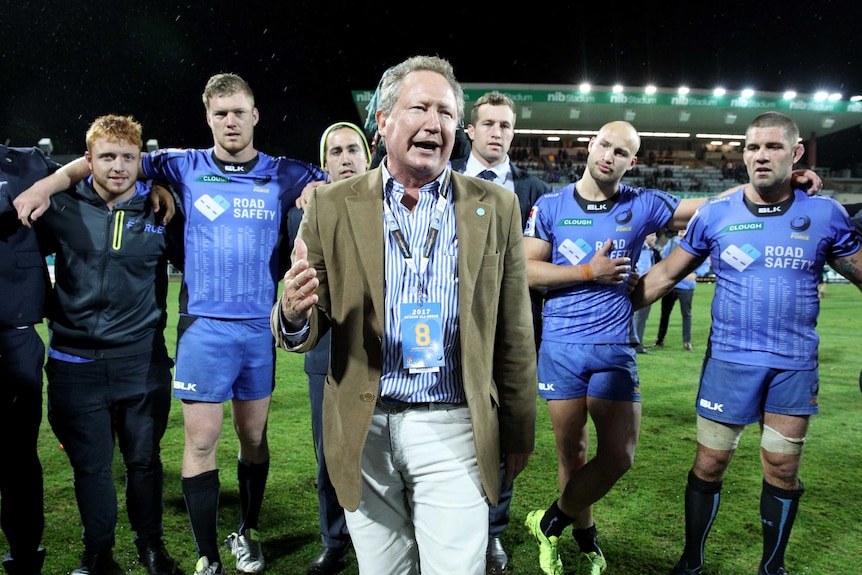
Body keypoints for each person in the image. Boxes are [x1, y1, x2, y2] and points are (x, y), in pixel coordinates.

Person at [15, 73, 326, 575]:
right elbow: (97, 159)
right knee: (199, 441)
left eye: (239, 111)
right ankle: (206, 556)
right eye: (220, 113)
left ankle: (246, 531)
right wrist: (48, 184)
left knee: (254, 439)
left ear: (255, 116)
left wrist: (319, 192)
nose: (230, 121)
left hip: (258, 328)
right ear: (208, 118)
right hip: (203, 325)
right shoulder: (182, 164)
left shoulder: (285, 172)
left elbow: (337, 181)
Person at [271, 55, 538, 575]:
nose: (434, 124)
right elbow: (307, 323)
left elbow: (514, 329)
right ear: (384, 120)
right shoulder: (329, 205)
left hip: (455, 420)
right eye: (420, 108)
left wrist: (519, 429)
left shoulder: (497, 205)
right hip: (364, 424)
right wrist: (293, 311)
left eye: (445, 113)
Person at [520, 120, 823, 575]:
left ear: (632, 162)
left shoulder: (643, 203)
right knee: (572, 454)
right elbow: (525, 271)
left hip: (615, 346)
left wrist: (774, 178)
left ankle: (549, 521)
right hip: (561, 345)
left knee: (618, 457)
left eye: (621, 152)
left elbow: (715, 207)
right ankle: (582, 538)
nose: (609, 156)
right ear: (590, 145)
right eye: (604, 145)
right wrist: (589, 272)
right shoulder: (550, 205)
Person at [630, 111, 862, 575]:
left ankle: (770, 567)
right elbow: (663, 276)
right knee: (710, 462)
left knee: (782, 469)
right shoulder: (716, 214)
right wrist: (599, 304)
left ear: (795, 154)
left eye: (773, 147)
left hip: (793, 366)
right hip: (729, 363)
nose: (761, 155)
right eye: (752, 147)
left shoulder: (825, 214)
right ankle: (691, 561)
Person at [34, 115, 181, 575]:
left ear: (141, 160)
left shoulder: (161, 210)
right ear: (88, 159)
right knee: (92, 468)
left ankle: (151, 547)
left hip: (141, 362)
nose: (118, 167)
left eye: (128, 158)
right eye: (107, 157)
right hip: (74, 364)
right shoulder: (58, 206)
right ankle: (97, 553)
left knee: (143, 461)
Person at [450, 90, 552, 574]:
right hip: (448, 332)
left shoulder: (535, 193)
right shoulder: (441, 180)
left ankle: (492, 535)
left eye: (505, 125)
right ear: (470, 130)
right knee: (449, 433)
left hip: (509, 334)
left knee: (505, 435)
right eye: (488, 123)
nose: (496, 132)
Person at [288, 121, 372, 575]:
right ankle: (333, 539)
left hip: (380, 358)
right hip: (327, 356)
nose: (345, 158)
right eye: (335, 152)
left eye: (352, 149)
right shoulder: (305, 212)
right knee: (329, 458)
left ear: (368, 156)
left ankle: (380, 537)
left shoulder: (393, 206)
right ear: (324, 165)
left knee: (382, 456)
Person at [0, 146, 56, 575]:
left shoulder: (29, 162)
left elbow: (96, 169)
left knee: (18, 455)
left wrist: (159, 186)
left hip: (13, 331)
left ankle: (24, 555)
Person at [651, 229, 711, 351]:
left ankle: (686, 341)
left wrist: (696, 274)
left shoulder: (698, 244)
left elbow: (705, 263)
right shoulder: (672, 243)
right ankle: (659, 340)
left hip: (686, 287)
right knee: (665, 314)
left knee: (686, 314)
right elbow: (665, 259)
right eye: (680, 231)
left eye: (684, 231)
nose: (681, 234)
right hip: (671, 285)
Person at [631, 232, 660, 354]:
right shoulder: (640, 249)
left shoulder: (649, 250)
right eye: (652, 235)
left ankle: (636, 342)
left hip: (647, 286)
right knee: (640, 316)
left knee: (642, 316)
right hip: (641, 287)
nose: (655, 238)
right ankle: (637, 344)